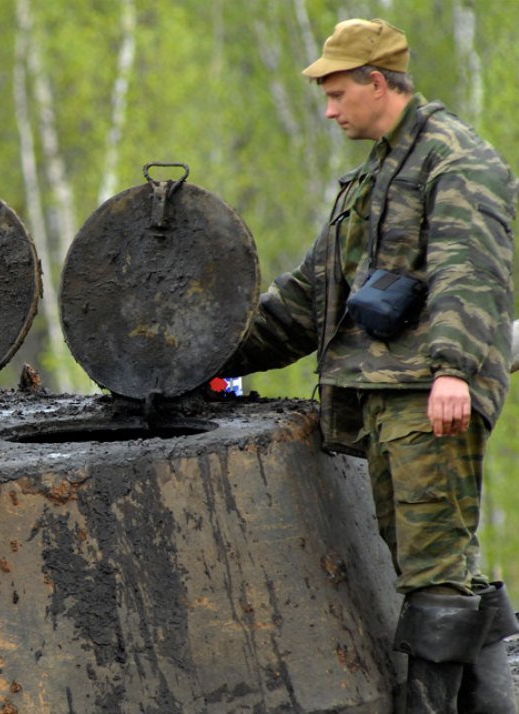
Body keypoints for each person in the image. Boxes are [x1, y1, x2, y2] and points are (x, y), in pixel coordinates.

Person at [221, 19, 519, 713]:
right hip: (386, 398)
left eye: (335, 93)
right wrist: (209, 352)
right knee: (430, 563)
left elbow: (471, 273)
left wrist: (453, 372)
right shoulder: (376, 174)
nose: (329, 111)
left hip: (427, 393)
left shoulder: (455, 160)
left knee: (433, 570)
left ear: (376, 82)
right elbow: (308, 296)